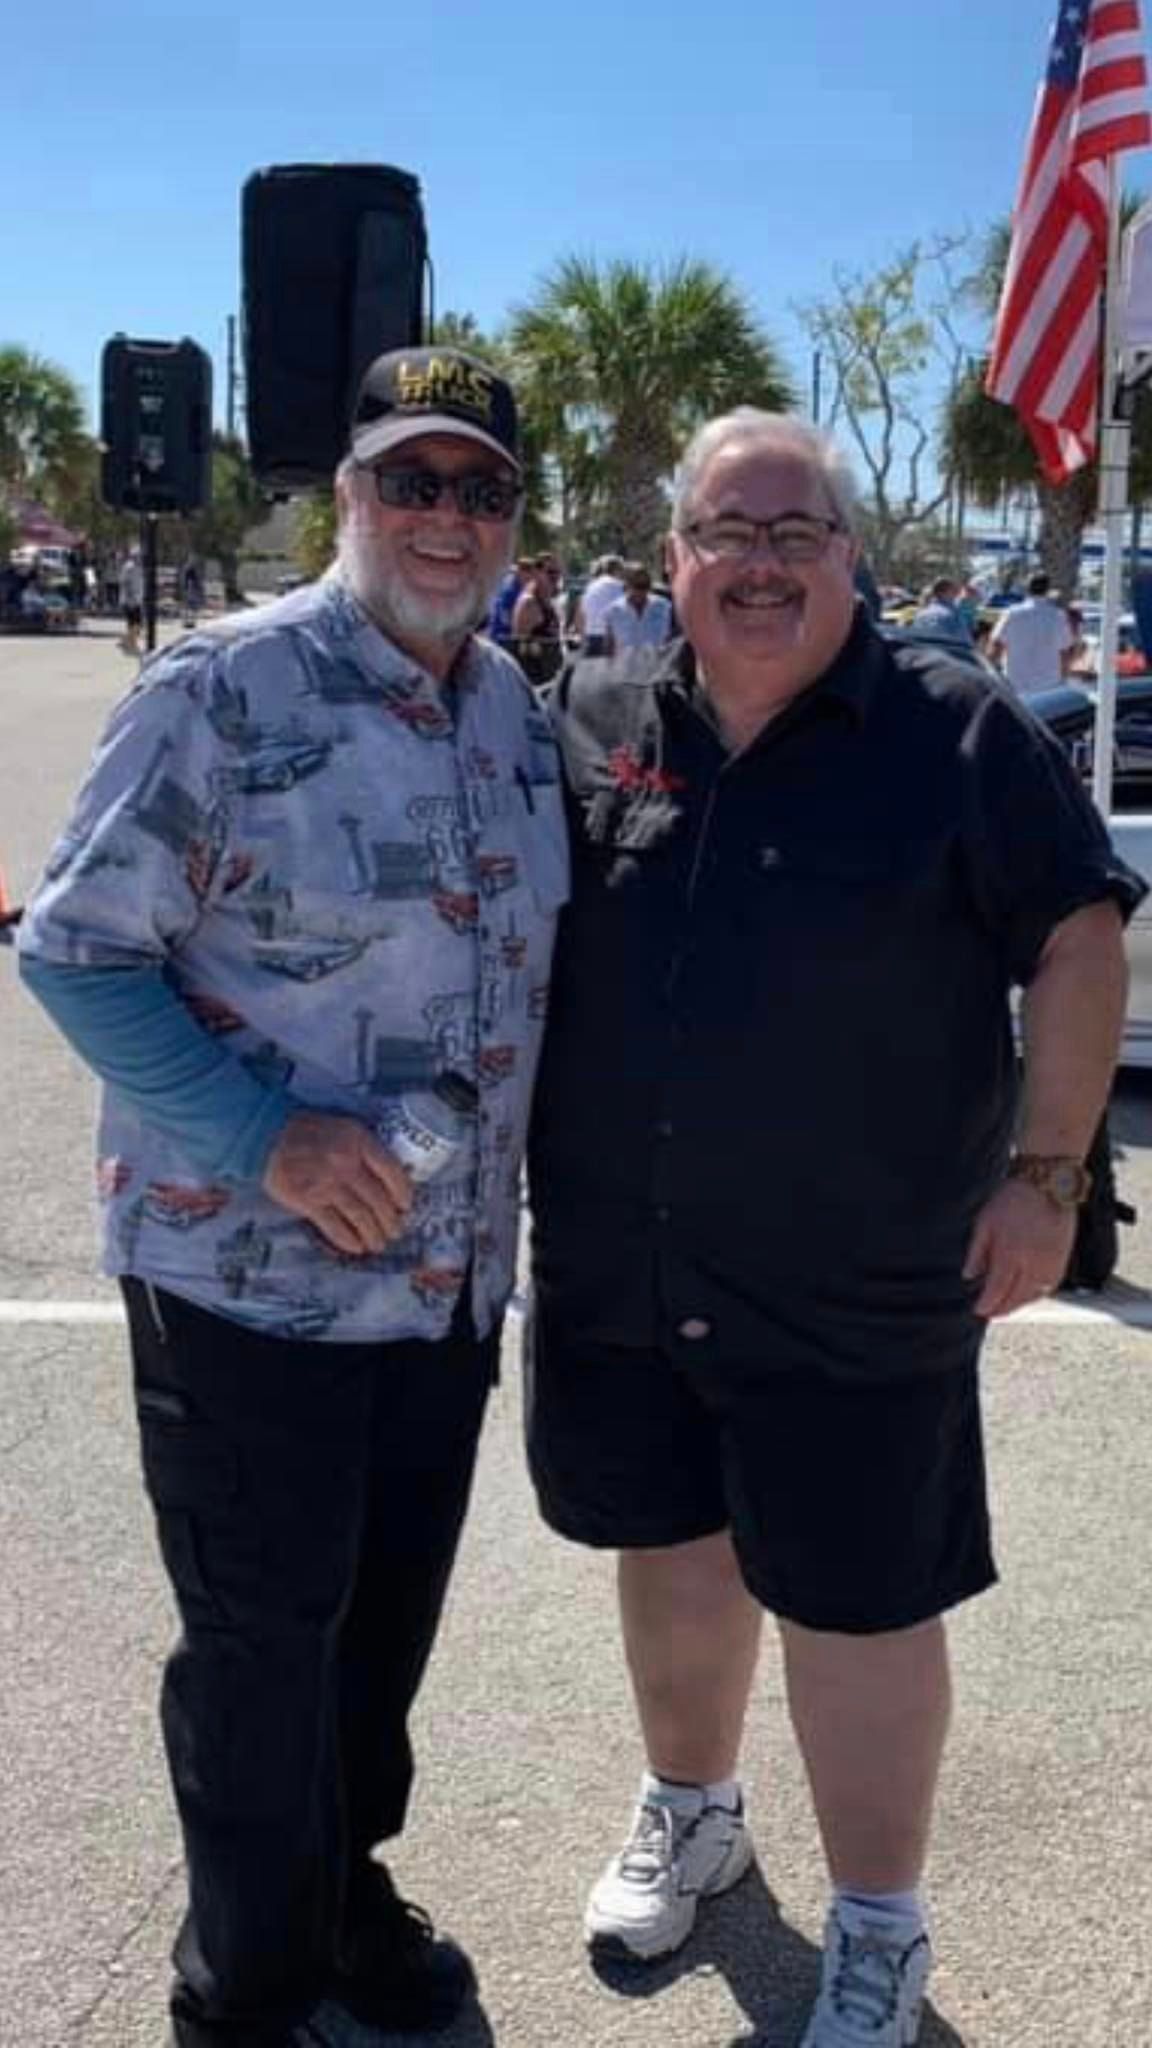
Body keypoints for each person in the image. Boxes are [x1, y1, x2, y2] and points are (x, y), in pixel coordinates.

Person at [525, 409, 1141, 2047]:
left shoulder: (953, 728)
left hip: (861, 1279)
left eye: (795, 532)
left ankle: (878, 1925)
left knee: (860, 1607)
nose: (760, 562)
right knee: (670, 1553)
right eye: (727, 531)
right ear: (673, 559)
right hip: (629, 1262)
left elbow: (1079, 937)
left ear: (849, 559)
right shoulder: (590, 714)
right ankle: (692, 1812)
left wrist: (1048, 1177)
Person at [18, 345, 568, 2048]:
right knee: (263, 1654)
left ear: (513, 518)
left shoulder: (510, 708)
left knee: (378, 1637)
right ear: (347, 495)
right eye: (412, 478)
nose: (445, 516)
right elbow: (75, 951)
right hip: (246, 1282)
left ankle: (340, 1899)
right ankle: (246, 1994)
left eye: (481, 487)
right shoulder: (224, 688)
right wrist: (265, 1134)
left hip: (445, 1285)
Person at [988, 571, 1074, 694]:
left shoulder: (1011, 614)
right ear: (1047, 590)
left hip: (1015, 685)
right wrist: (1063, 679)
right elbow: (1065, 652)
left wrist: (992, 676)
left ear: (1027, 588)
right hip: (1049, 686)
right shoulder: (1058, 616)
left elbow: (995, 646)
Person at [510, 552, 563, 687]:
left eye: (558, 572)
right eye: (550, 572)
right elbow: (518, 647)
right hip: (534, 682)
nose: (555, 577)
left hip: (550, 677)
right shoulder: (529, 603)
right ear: (536, 573)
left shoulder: (549, 601)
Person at [601, 563, 673, 655]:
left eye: (645, 586)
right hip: (626, 663)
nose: (642, 591)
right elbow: (609, 646)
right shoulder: (614, 611)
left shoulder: (663, 606)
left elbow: (671, 638)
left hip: (657, 662)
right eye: (637, 586)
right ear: (627, 585)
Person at [573, 553, 626, 655]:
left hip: (591, 638)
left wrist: (583, 640)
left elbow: (579, 617)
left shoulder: (590, 587)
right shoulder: (619, 586)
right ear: (617, 570)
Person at [910, 576, 971, 644]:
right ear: (941, 593)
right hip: (947, 649)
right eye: (953, 591)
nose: (956, 594)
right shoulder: (951, 614)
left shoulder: (921, 614)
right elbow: (963, 639)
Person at [118, 546, 145, 655]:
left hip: (137, 599)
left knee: (137, 624)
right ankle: (129, 643)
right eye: (138, 556)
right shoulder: (129, 567)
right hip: (129, 600)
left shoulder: (140, 567)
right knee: (133, 623)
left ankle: (126, 641)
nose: (140, 558)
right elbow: (125, 583)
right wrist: (130, 598)